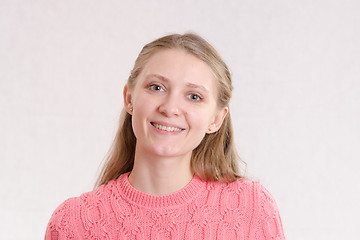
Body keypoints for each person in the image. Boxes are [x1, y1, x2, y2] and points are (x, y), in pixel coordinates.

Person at [45, 33, 285, 239]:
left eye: (194, 96)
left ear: (216, 119)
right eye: (156, 88)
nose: (170, 108)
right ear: (129, 98)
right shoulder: (73, 223)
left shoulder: (252, 206)